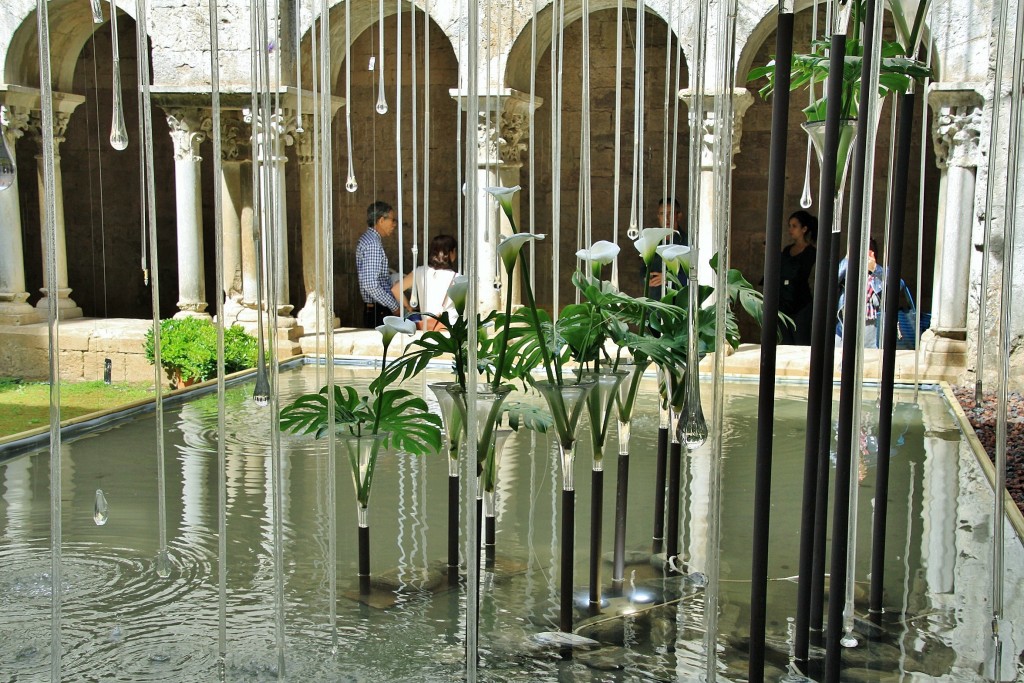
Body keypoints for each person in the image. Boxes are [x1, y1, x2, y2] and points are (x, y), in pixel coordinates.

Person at [391, 234, 459, 330]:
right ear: (451, 253)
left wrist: (409, 307)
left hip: (428, 328)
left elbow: (396, 289)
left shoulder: (420, 272)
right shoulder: (458, 278)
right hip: (450, 328)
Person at [356, 200, 401, 328]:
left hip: (376, 309)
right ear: (381, 220)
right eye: (392, 220)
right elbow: (370, 284)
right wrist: (394, 306)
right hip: (379, 310)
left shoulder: (368, 239)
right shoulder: (373, 244)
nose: (394, 224)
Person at [836, 239, 885, 348]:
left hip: (870, 329)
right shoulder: (848, 274)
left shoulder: (878, 276)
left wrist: (875, 268)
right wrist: (847, 258)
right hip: (844, 326)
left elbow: (897, 285)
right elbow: (831, 280)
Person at [778, 210, 817, 345]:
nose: (791, 229)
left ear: (804, 229)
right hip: (784, 301)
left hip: (800, 303)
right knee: (784, 341)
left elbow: (800, 273)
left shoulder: (810, 252)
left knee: (801, 340)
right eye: (790, 226)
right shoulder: (787, 249)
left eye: (794, 226)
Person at [646, 197, 686, 300]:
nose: (666, 218)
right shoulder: (652, 241)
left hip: (679, 303)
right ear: (658, 216)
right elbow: (643, 269)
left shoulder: (687, 242)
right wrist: (647, 278)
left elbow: (695, 274)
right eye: (662, 214)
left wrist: (668, 278)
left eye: (670, 213)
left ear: (678, 215)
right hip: (654, 303)